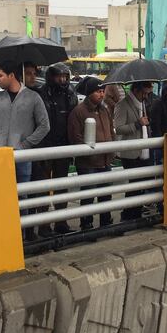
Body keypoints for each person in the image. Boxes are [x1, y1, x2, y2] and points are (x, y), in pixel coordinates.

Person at [0, 61, 50, 193]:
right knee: (0, 195)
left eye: (1, 75)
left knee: (21, 197)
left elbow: (44, 125)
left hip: (22, 157)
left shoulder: (33, 97)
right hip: (0, 156)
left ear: (11, 75)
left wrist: (25, 144)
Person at [32, 63, 79, 236]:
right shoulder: (41, 93)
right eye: (59, 76)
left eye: (65, 77)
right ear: (51, 77)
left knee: (62, 185)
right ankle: (44, 225)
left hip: (63, 146)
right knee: (44, 187)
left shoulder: (70, 94)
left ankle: (61, 222)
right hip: (45, 146)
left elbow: (73, 118)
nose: (63, 80)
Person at [67, 77, 115, 231]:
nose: (101, 95)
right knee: (88, 194)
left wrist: (112, 150)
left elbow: (111, 131)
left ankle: (106, 221)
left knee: (106, 193)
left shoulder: (104, 109)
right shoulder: (79, 112)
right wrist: (89, 153)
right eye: (98, 92)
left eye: (102, 91)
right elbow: (76, 137)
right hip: (88, 163)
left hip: (105, 160)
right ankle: (86, 224)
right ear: (89, 94)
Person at [114, 81, 155, 220]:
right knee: (134, 186)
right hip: (131, 152)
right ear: (137, 90)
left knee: (142, 184)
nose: (146, 96)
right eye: (145, 93)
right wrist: (137, 124)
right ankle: (127, 215)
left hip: (145, 149)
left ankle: (136, 213)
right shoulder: (123, 104)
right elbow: (118, 128)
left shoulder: (144, 103)